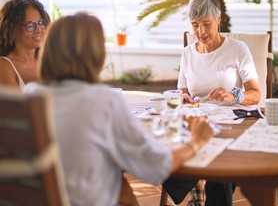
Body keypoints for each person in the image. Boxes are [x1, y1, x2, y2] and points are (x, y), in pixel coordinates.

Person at [23, 12, 215, 206]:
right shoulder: (103, 100)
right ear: (95, 54)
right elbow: (154, 167)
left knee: (120, 182)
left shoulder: (29, 96)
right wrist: (196, 142)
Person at [163, 0, 262, 206]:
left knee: (220, 161)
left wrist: (233, 95)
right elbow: (182, 92)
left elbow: (256, 94)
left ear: (219, 19)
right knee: (163, 147)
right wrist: (184, 99)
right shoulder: (188, 53)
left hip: (230, 124)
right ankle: (198, 182)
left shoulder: (237, 49)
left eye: (206, 24)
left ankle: (201, 183)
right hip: (196, 122)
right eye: (195, 25)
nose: (201, 32)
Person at [0, 0, 50, 90]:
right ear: (12, 30)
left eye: (40, 23)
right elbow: (16, 104)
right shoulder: (3, 66)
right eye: (30, 25)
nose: (39, 30)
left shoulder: (46, 63)